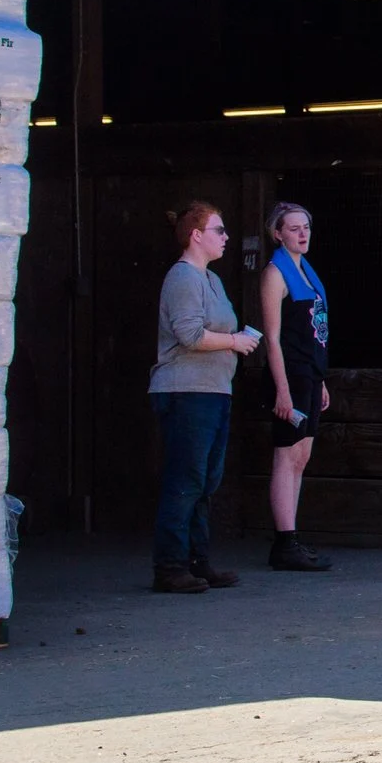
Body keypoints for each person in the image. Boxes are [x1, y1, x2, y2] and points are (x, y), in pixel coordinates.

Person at [149, 201, 260, 594]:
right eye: (219, 230)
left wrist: (234, 341)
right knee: (186, 480)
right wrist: (235, 341)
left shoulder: (211, 279)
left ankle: (197, 561)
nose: (226, 237)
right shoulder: (182, 278)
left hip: (213, 391)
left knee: (205, 481)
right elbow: (190, 335)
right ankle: (170, 566)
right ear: (196, 235)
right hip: (186, 392)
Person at [258, 202, 333, 573]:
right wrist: (282, 391)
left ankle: (293, 535)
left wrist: (320, 381)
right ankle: (283, 541)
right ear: (278, 233)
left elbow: (314, 330)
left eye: (306, 227)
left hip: (310, 374)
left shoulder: (307, 271)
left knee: (301, 457)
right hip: (289, 375)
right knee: (286, 456)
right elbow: (273, 338)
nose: (302, 234)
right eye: (293, 228)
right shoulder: (276, 273)